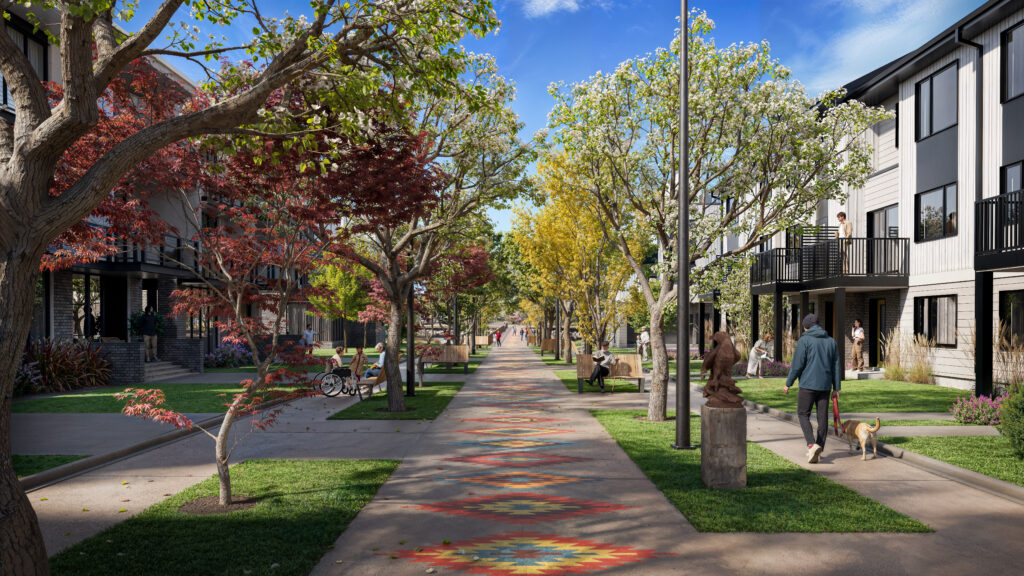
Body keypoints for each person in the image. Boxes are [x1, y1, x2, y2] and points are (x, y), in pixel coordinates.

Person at [783, 314, 842, 464]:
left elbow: (797, 365)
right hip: (825, 386)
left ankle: (811, 445)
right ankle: (819, 447)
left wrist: (788, 383)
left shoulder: (804, 340)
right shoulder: (831, 341)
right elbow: (836, 366)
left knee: (803, 414)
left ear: (805, 327)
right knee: (822, 418)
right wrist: (836, 388)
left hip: (807, 385)